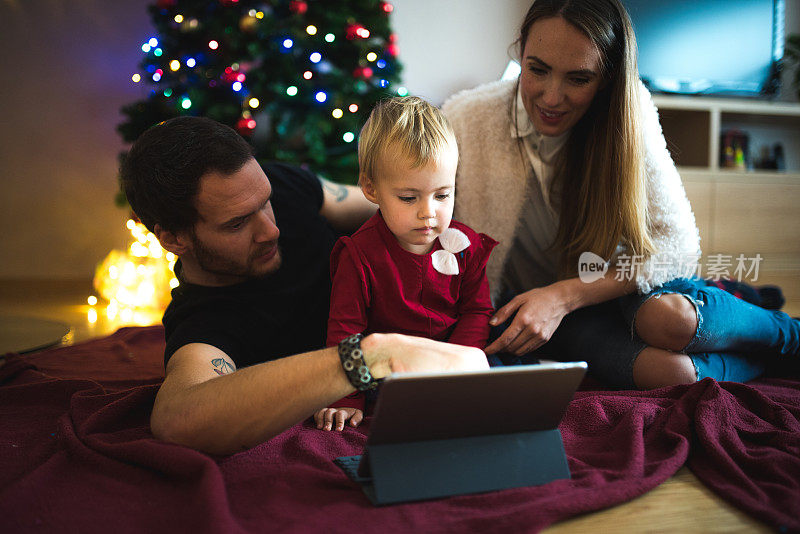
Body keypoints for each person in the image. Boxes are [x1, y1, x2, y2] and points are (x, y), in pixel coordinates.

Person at [442, 0, 800, 389]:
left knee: (669, 320)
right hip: (557, 314)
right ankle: (765, 355)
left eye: (578, 79)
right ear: (520, 51)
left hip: (622, 287)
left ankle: (789, 335)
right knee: (674, 376)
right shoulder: (467, 118)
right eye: (537, 70)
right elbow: (421, 206)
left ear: (608, 77)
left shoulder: (631, 114)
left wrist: (563, 296)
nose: (550, 97)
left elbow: (678, 246)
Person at [120, 116, 489, 455]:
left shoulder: (279, 185)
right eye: (237, 224)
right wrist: (370, 355)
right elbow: (176, 419)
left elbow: (399, 200)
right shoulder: (204, 322)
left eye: (266, 203)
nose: (271, 230)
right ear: (173, 240)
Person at [315, 96, 497, 431]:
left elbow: (477, 311)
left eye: (442, 195)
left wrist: (454, 366)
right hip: (390, 370)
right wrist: (345, 398)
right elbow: (346, 332)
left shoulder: (465, 247)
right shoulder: (358, 256)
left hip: (452, 359)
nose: (428, 212)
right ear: (371, 188)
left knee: (505, 382)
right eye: (409, 198)